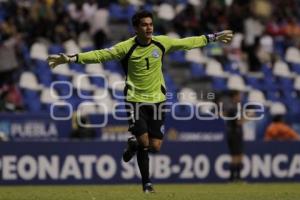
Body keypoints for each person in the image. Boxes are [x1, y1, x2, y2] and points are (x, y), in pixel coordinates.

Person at [47, 10, 233, 193]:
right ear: (136, 28)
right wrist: (71, 58)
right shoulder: (126, 47)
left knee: (156, 146)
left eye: (150, 24)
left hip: (158, 101)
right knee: (145, 142)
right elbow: (100, 55)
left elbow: (187, 43)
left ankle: (133, 145)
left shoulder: (162, 43)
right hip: (135, 101)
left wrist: (213, 37)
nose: (149, 27)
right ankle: (147, 184)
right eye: (144, 25)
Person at [223, 90, 244, 182]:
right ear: (234, 96)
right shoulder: (233, 108)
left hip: (234, 134)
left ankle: (235, 177)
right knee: (236, 156)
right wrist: (249, 116)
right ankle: (234, 178)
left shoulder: (234, 107)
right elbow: (238, 122)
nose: (240, 97)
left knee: (238, 156)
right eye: (239, 96)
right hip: (234, 134)